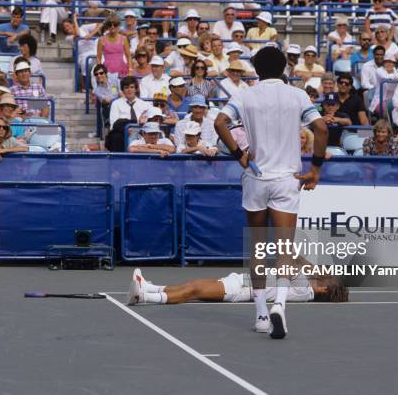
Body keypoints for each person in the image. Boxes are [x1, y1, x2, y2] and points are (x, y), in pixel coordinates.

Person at [214, 46, 328, 339]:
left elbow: (219, 123)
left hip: (256, 178)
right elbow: (321, 129)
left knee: (258, 248)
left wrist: (238, 153)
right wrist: (315, 168)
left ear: (257, 70)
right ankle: (280, 305)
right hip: (287, 179)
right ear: (283, 69)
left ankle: (262, 314)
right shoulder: (298, 95)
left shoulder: (245, 95)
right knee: (285, 248)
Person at [126, 268, 349, 305]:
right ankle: (149, 287)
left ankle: (144, 297)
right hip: (241, 280)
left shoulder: (305, 289)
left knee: (193, 291)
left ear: (323, 290)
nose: (323, 277)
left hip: (241, 290)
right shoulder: (305, 285)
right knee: (192, 284)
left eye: (327, 282)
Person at [62, 13, 101, 91]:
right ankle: (85, 87)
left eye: (67, 25)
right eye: (64, 28)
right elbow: (77, 34)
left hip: (94, 49)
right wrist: (75, 20)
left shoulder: (83, 27)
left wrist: (91, 34)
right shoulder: (68, 38)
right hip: (82, 55)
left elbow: (100, 24)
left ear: (72, 24)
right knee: (85, 62)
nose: (66, 28)